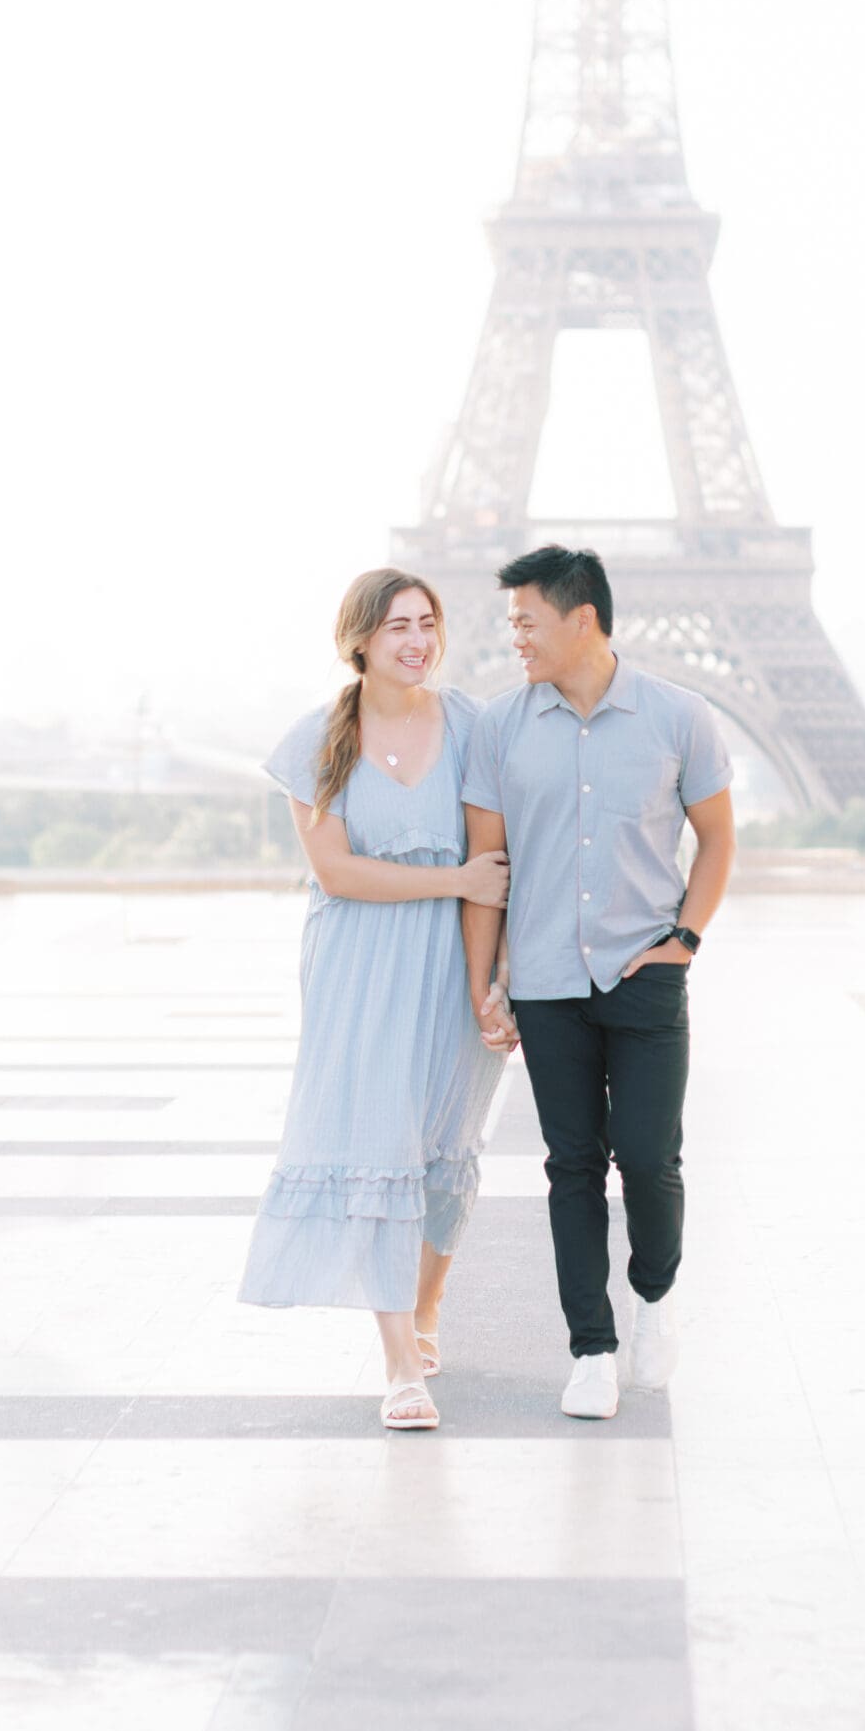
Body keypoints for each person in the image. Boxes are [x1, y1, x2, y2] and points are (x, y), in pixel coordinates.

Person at [459, 544, 736, 1419]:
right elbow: (487, 863)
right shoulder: (498, 727)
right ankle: (591, 1348)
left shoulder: (680, 716)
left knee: (651, 1160)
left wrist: (686, 938)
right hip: (544, 980)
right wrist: (484, 980)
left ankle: (652, 1296)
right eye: (511, 624)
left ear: (583, 620)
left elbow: (719, 840)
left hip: (644, 971)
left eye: (526, 621)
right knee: (571, 1167)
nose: (516, 639)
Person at [238, 568, 513, 1431]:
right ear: (359, 638)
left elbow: (490, 870)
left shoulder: (471, 725)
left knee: (443, 1145)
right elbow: (337, 871)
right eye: (397, 626)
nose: (416, 641)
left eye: (428, 623)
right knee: (376, 1144)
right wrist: (452, 877)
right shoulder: (320, 740)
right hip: (359, 970)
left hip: (449, 962)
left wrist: (486, 982)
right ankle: (399, 1367)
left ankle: (426, 1313)